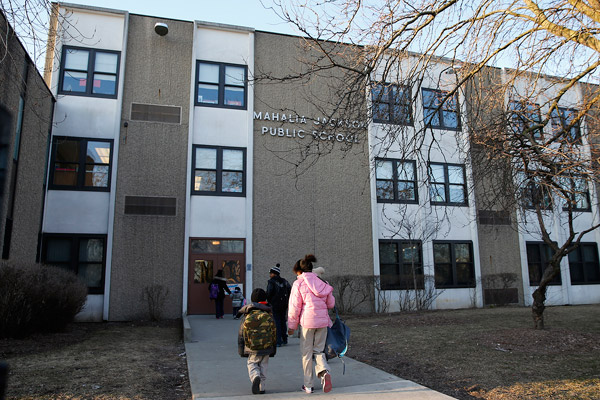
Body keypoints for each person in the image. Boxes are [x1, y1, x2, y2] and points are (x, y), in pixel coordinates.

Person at [287, 254, 335, 394]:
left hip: (307, 322)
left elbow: (294, 307)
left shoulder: (298, 283)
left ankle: (308, 385)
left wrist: (291, 327)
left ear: (300, 270)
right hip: (322, 322)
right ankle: (324, 371)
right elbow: (331, 304)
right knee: (319, 350)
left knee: (306, 354)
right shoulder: (322, 282)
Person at [237, 288, 277, 395]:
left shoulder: (248, 314)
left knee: (252, 364)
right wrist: (273, 349)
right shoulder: (269, 313)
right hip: (267, 346)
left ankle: (255, 376)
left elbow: (241, 334)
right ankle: (262, 388)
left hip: (252, 347)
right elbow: (274, 332)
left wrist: (241, 350)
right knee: (264, 366)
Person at [266, 263, 292, 347]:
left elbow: (269, 293)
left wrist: (269, 302)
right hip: (284, 304)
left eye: (271, 273)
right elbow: (290, 291)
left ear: (274, 273)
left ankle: (278, 340)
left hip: (275, 304)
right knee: (282, 321)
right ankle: (284, 339)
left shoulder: (271, 282)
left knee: (276, 321)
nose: (270, 275)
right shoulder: (285, 281)